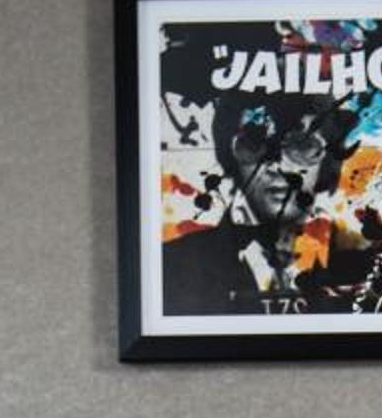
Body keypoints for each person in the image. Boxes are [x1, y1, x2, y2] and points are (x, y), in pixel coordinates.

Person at [158, 92, 369, 313]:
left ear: (328, 162)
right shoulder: (171, 265)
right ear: (228, 156)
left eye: (302, 145)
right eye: (253, 143)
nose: (278, 165)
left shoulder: (372, 268)